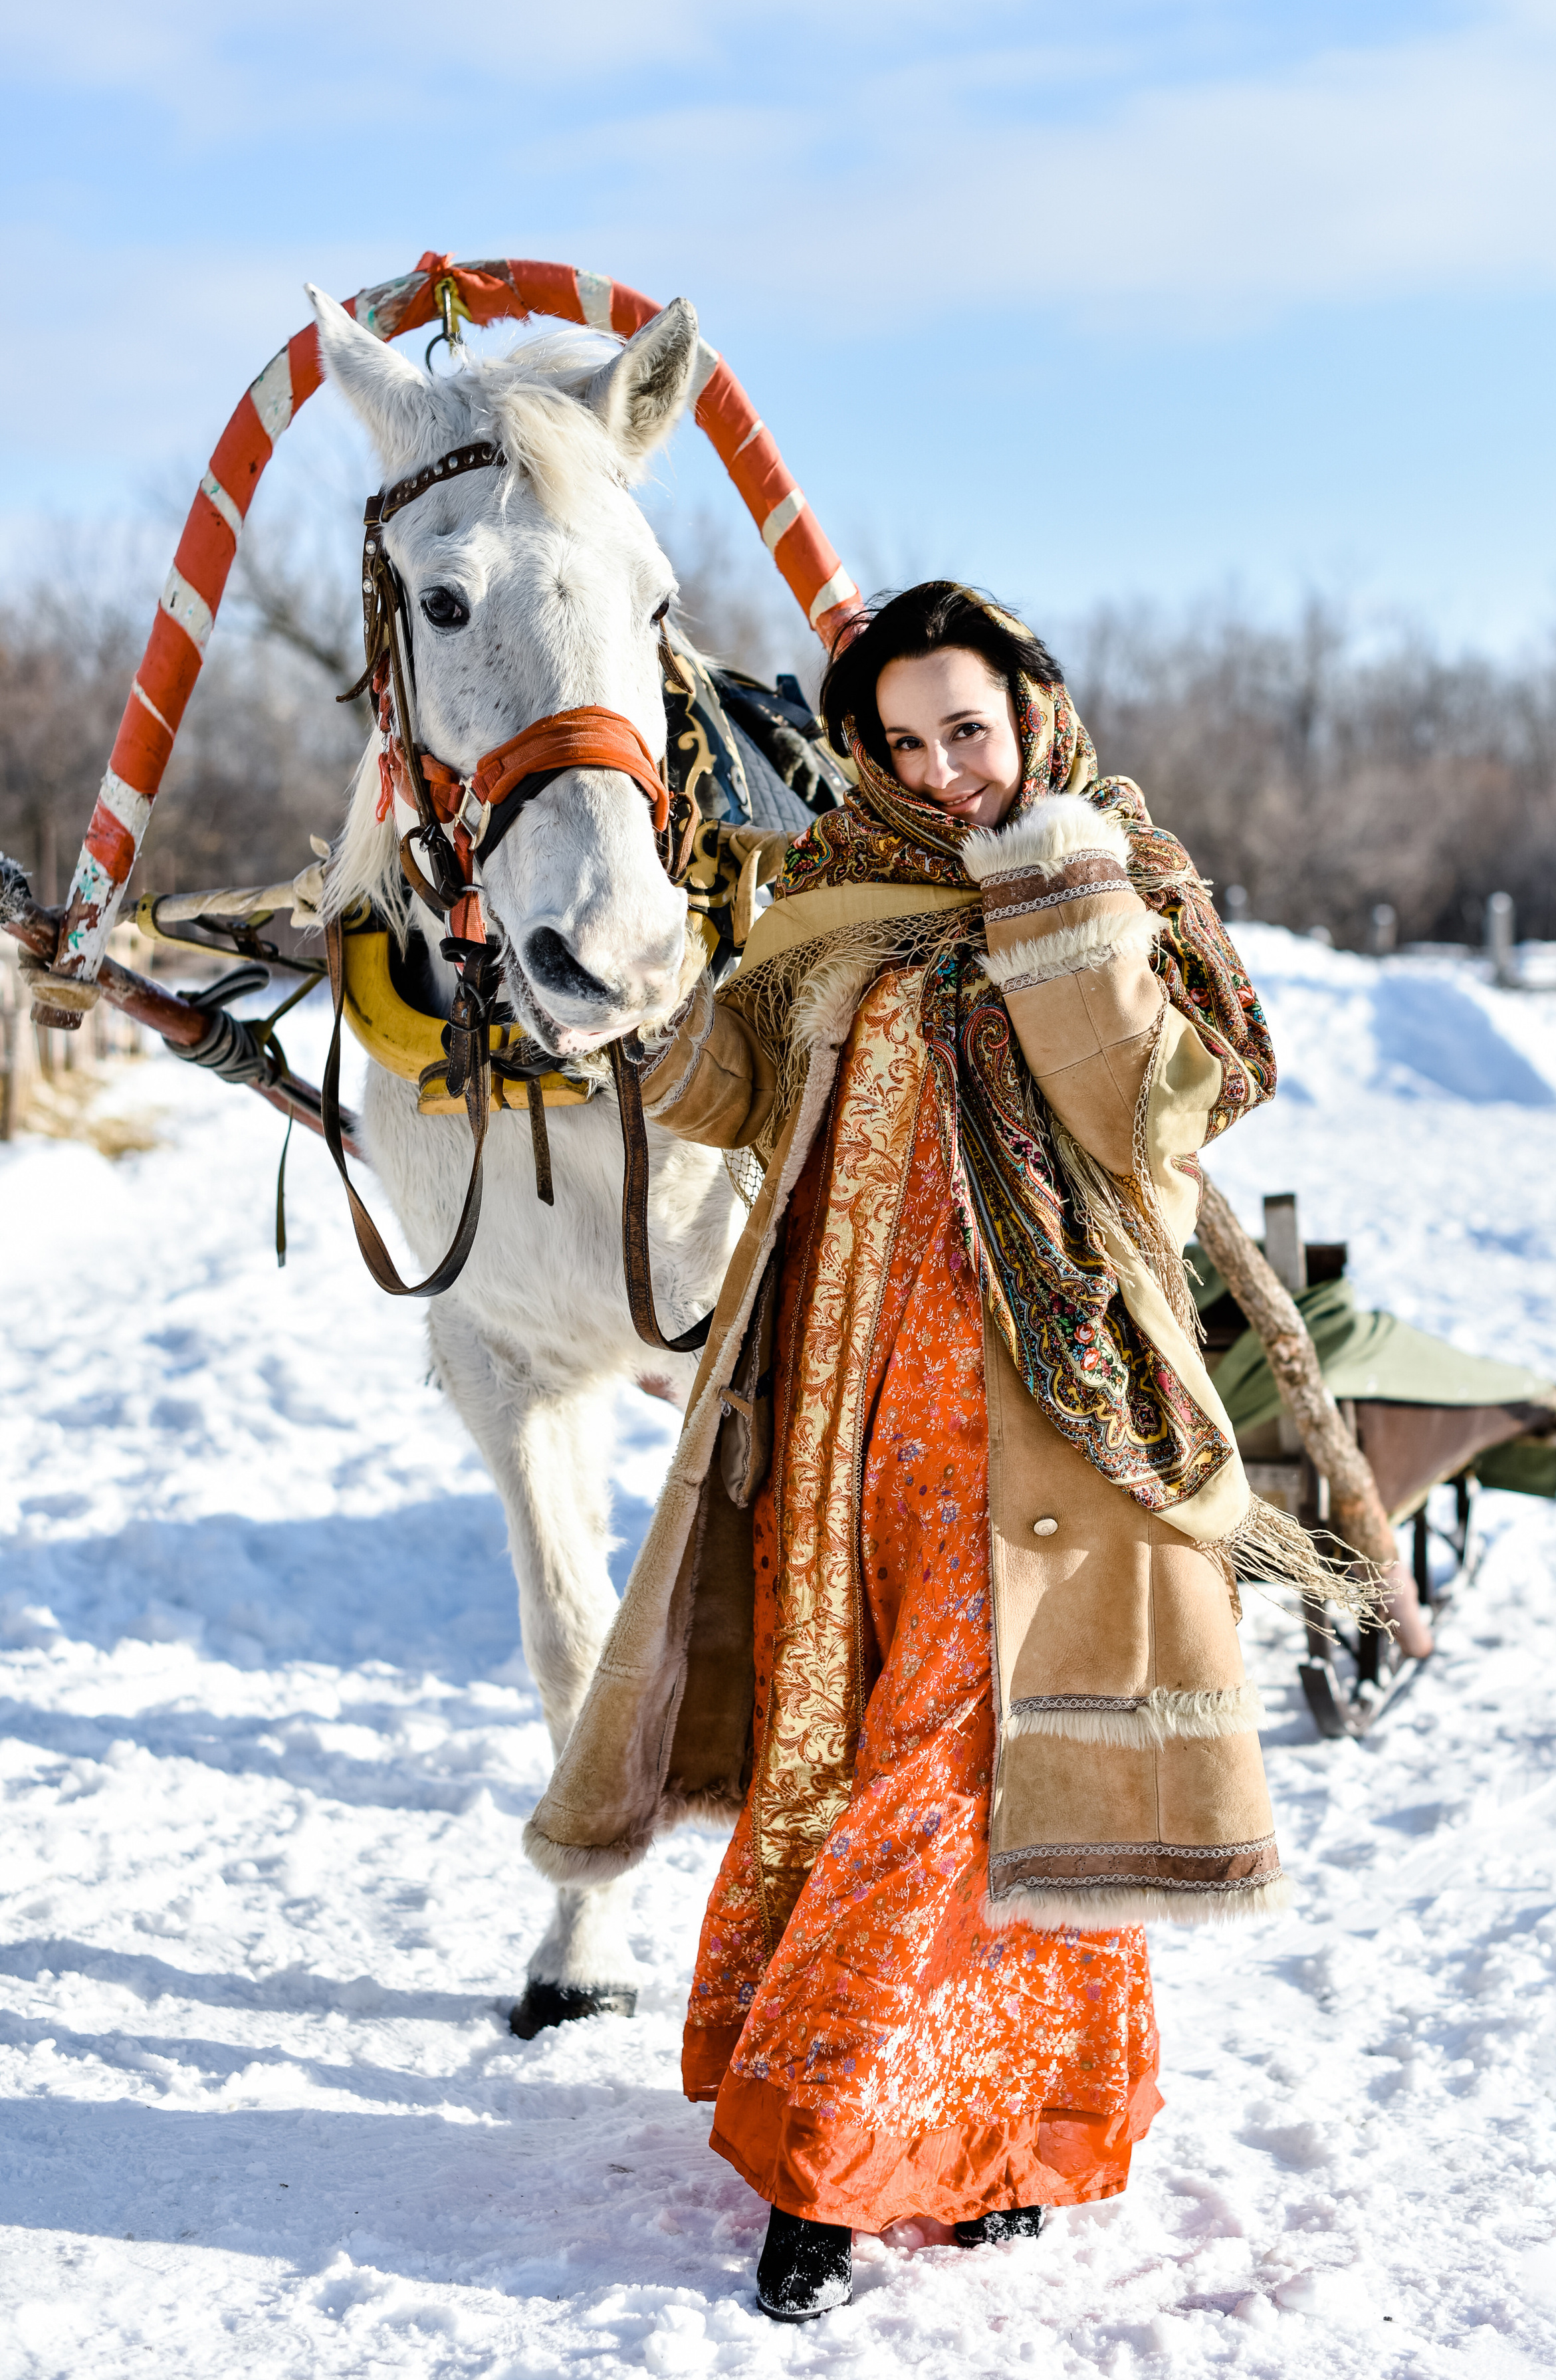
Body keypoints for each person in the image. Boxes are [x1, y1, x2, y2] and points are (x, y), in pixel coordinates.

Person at [524, 584, 1367, 2320]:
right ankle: (989, 2139)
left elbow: (1166, 1108)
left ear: (1031, 706)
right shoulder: (840, 883)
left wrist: (1056, 904)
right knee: (858, 1765)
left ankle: (825, 2157)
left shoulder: (1120, 869)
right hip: (835, 1434)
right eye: (903, 741)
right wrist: (623, 1009)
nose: (942, 771)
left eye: (965, 731)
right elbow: (735, 1086)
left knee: (962, 1772)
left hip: (1039, 1436)